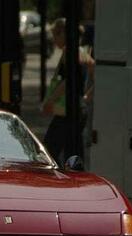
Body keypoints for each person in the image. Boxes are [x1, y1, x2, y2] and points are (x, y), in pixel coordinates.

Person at [41, 18, 95, 166]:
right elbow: (96, 75)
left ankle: (60, 179)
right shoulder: (84, 52)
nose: (54, 40)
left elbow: (67, 81)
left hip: (68, 109)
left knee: (48, 150)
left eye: (55, 36)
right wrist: (86, 97)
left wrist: (49, 101)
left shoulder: (69, 51)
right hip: (80, 108)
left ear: (64, 34)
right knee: (73, 150)